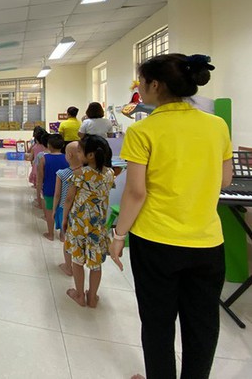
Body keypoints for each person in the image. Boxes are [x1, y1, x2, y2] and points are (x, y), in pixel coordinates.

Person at [109, 54, 232, 379]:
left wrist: (118, 235)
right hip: (207, 243)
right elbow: (225, 180)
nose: (139, 91)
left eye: (141, 83)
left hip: (156, 244)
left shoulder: (143, 131)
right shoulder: (217, 125)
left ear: (155, 85)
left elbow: (136, 193)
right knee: (203, 327)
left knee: (158, 325)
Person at [62, 136, 114, 308]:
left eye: (80, 151)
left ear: (90, 155)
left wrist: (64, 218)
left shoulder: (80, 174)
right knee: (96, 262)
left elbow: (69, 199)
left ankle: (79, 294)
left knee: (77, 260)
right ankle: (92, 297)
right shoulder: (110, 174)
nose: (77, 153)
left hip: (79, 223)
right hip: (98, 225)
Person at [54, 141, 80, 275]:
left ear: (68, 155)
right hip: (82, 212)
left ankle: (68, 266)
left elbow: (58, 195)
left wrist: (55, 210)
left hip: (65, 209)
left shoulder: (63, 174)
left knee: (67, 240)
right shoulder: (88, 174)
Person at [36, 135, 68, 241]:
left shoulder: (44, 159)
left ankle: (51, 234)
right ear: (63, 145)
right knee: (63, 212)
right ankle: (63, 235)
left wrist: (38, 193)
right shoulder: (67, 158)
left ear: (49, 145)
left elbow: (40, 178)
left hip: (49, 190)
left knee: (49, 213)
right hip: (65, 191)